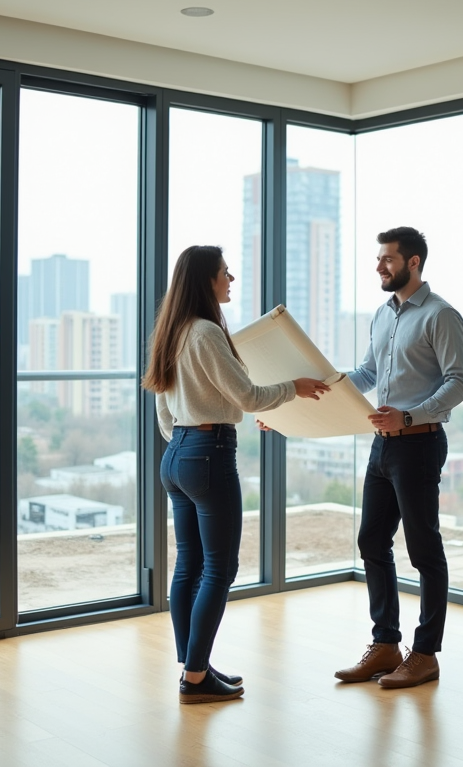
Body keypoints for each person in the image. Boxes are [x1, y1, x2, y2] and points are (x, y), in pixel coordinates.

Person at [144, 245, 329, 704]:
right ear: (207, 279)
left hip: (178, 455)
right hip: (209, 454)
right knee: (220, 569)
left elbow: (163, 407)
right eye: (226, 273)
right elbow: (246, 396)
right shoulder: (206, 332)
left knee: (189, 565)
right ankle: (195, 675)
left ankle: (194, 668)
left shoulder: (174, 331)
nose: (231, 279)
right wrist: (295, 388)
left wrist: (185, 441)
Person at [334, 226, 463, 689]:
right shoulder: (383, 314)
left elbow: (458, 381)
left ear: (413, 262)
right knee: (372, 541)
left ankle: (426, 653)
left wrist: (409, 418)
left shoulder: (440, 315)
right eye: (379, 259)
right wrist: (318, 394)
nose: (379, 266)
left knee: (423, 550)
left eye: (387, 259)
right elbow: (369, 371)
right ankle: (386, 645)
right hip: (383, 445)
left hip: (418, 442)